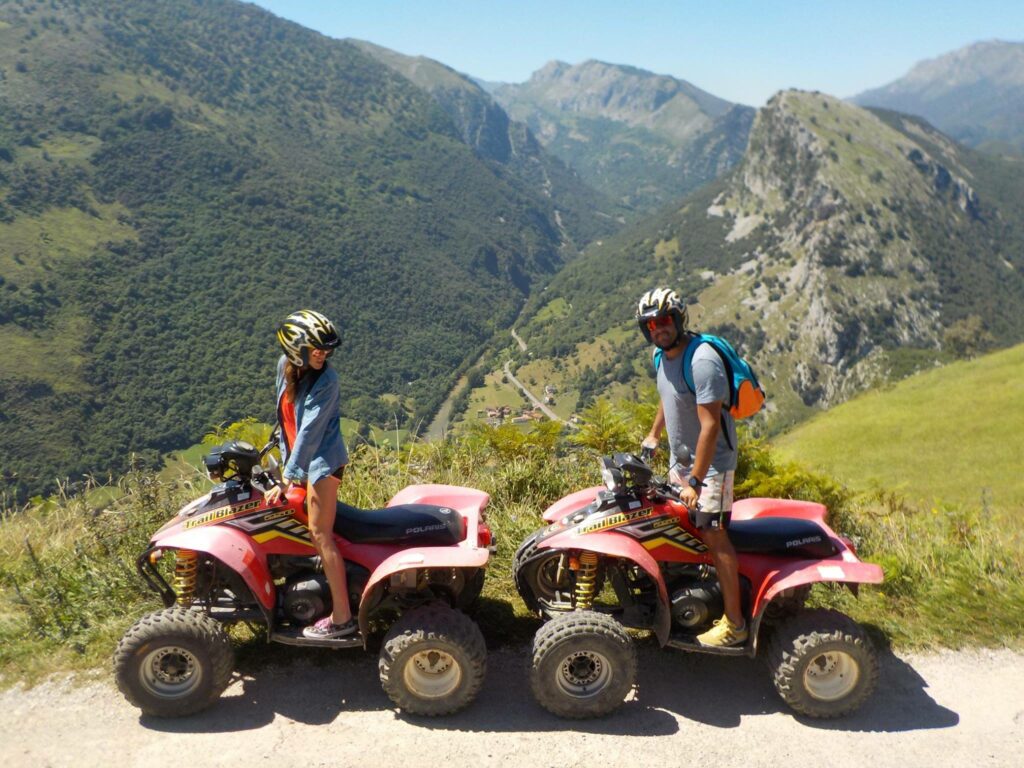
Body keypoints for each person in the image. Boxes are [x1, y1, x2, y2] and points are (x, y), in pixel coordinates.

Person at [636, 287, 747, 647]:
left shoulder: (701, 360)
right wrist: (653, 435)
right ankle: (688, 599)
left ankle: (735, 624)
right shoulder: (660, 356)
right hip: (680, 463)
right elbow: (667, 396)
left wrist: (696, 481)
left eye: (665, 320)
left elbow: (711, 425)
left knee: (714, 535)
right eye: (650, 324)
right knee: (676, 527)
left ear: (679, 319)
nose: (658, 328)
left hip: (712, 466)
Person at [265, 309, 356, 639]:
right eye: (317, 350)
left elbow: (309, 433)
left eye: (327, 350)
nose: (325, 355)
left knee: (321, 533)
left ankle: (343, 617)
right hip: (298, 459)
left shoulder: (327, 380)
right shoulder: (284, 367)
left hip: (323, 463)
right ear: (295, 349)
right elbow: (286, 419)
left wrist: (286, 478)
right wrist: (274, 451)